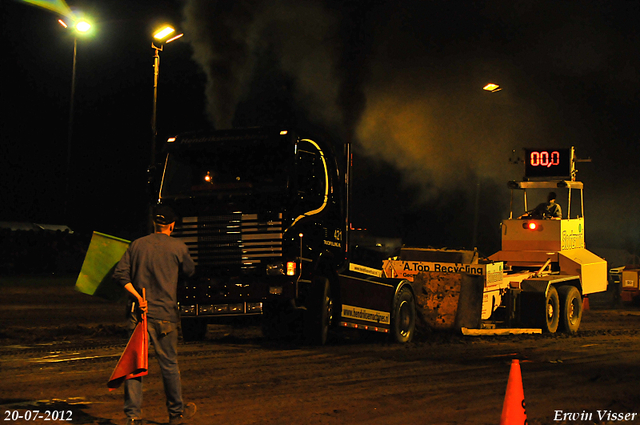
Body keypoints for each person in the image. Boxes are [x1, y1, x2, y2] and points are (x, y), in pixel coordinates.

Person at [113, 205, 197, 425]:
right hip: (166, 315)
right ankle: (176, 415)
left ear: (154, 224)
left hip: (138, 316)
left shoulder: (137, 245)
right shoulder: (178, 247)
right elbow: (190, 271)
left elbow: (120, 275)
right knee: (169, 365)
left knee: (134, 367)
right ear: (171, 225)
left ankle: (133, 417)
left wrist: (138, 298)